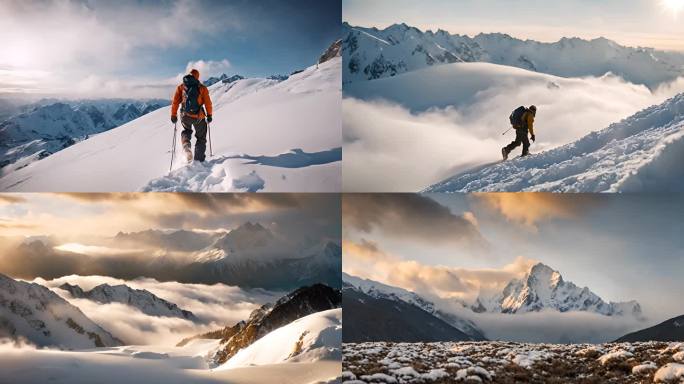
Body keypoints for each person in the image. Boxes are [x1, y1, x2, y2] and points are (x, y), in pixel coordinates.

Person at [171, 69, 213, 162]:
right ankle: (198, 160)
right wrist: (209, 115)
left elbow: (175, 102)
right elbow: (208, 103)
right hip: (198, 117)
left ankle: (186, 147)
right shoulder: (202, 88)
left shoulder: (181, 87)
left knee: (186, 131)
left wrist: (173, 115)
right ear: (197, 77)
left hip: (185, 116)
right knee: (201, 138)